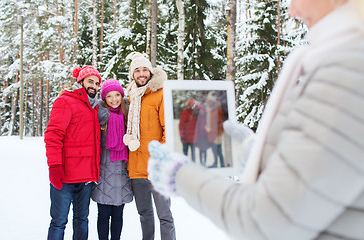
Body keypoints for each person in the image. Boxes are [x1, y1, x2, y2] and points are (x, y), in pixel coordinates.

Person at [147, 0, 364, 240]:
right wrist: (252, 152)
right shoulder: (343, 61)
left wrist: (179, 175)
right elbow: (325, 175)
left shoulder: (346, 70)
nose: (292, 11)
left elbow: (267, 219)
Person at [44, 65, 102, 240]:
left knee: (82, 220)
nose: (93, 85)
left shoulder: (95, 107)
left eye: (97, 83)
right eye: (90, 81)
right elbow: (53, 135)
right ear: (80, 81)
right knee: (59, 222)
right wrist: (54, 166)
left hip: (85, 178)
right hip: (65, 176)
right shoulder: (66, 101)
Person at [123, 53, 176, 240]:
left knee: (165, 216)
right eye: (137, 70)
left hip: (156, 167)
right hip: (137, 168)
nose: (141, 73)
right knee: (145, 215)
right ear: (132, 75)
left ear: (150, 72)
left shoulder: (160, 93)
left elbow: (167, 130)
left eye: (144, 69)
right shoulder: (130, 97)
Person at [91, 79, 133, 240]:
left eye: (117, 95)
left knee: (118, 213)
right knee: (103, 214)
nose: (114, 99)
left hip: (123, 171)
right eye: (109, 96)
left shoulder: (128, 116)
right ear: (104, 99)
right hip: (104, 170)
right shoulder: (100, 116)